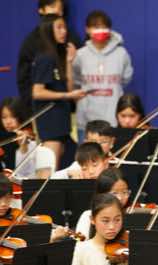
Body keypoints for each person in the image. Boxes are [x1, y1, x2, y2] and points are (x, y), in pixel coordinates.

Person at [31, 13, 87, 165]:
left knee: (60, 169)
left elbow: (68, 88)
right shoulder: (45, 57)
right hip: (50, 123)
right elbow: (37, 92)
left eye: (65, 27)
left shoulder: (57, 56)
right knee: (48, 170)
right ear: (48, 30)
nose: (64, 31)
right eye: (59, 27)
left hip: (62, 123)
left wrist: (69, 61)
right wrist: (67, 96)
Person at [72, 9, 133, 135]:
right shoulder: (80, 54)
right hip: (86, 121)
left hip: (113, 119)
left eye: (103, 27)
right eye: (96, 27)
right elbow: (75, 81)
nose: (100, 30)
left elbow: (126, 78)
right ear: (87, 30)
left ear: (109, 29)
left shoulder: (121, 54)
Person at [16, 0, 81, 108]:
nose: (56, 11)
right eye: (52, 6)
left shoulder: (70, 41)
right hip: (45, 110)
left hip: (67, 108)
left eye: (60, 9)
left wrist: (69, 62)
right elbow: (35, 91)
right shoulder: (39, 51)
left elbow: (73, 83)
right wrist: (67, 95)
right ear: (41, 10)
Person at [0, 96, 56, 179]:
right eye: (4, 117)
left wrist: (23, 147)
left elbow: (23, 173)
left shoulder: (30, 142)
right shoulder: (3, 139)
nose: (8, 122)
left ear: (21, 116)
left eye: (13, 117)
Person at [74, 167, 130, 238]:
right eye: (114, 193)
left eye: (124, 192)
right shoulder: (87, 216)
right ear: (102, 194)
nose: (120, 198)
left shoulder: (134, 214)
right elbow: (79, 241)